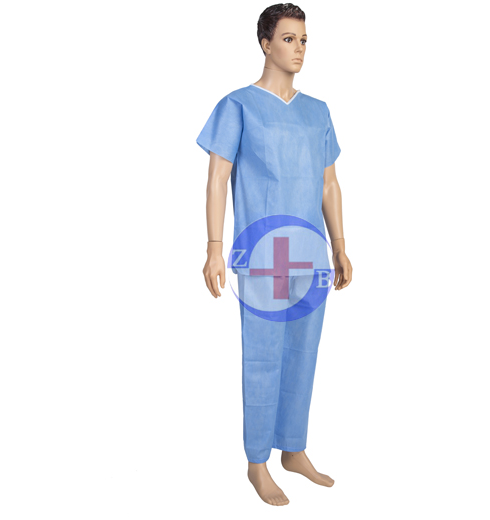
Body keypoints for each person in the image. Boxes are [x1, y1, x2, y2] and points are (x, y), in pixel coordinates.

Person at [196, 3, 353, 506]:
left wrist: (341, 245)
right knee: (263, 355)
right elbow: (218, 177)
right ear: (265, 44)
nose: (299, 49)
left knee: (303, 353)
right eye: (288, 39)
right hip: (263, 253)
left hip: (311, 252)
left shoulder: (318, 111)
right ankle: (258, 462)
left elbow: (329, 183)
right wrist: (214, 248)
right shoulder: (238, 106)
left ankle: (294, 448)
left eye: (304, 40)